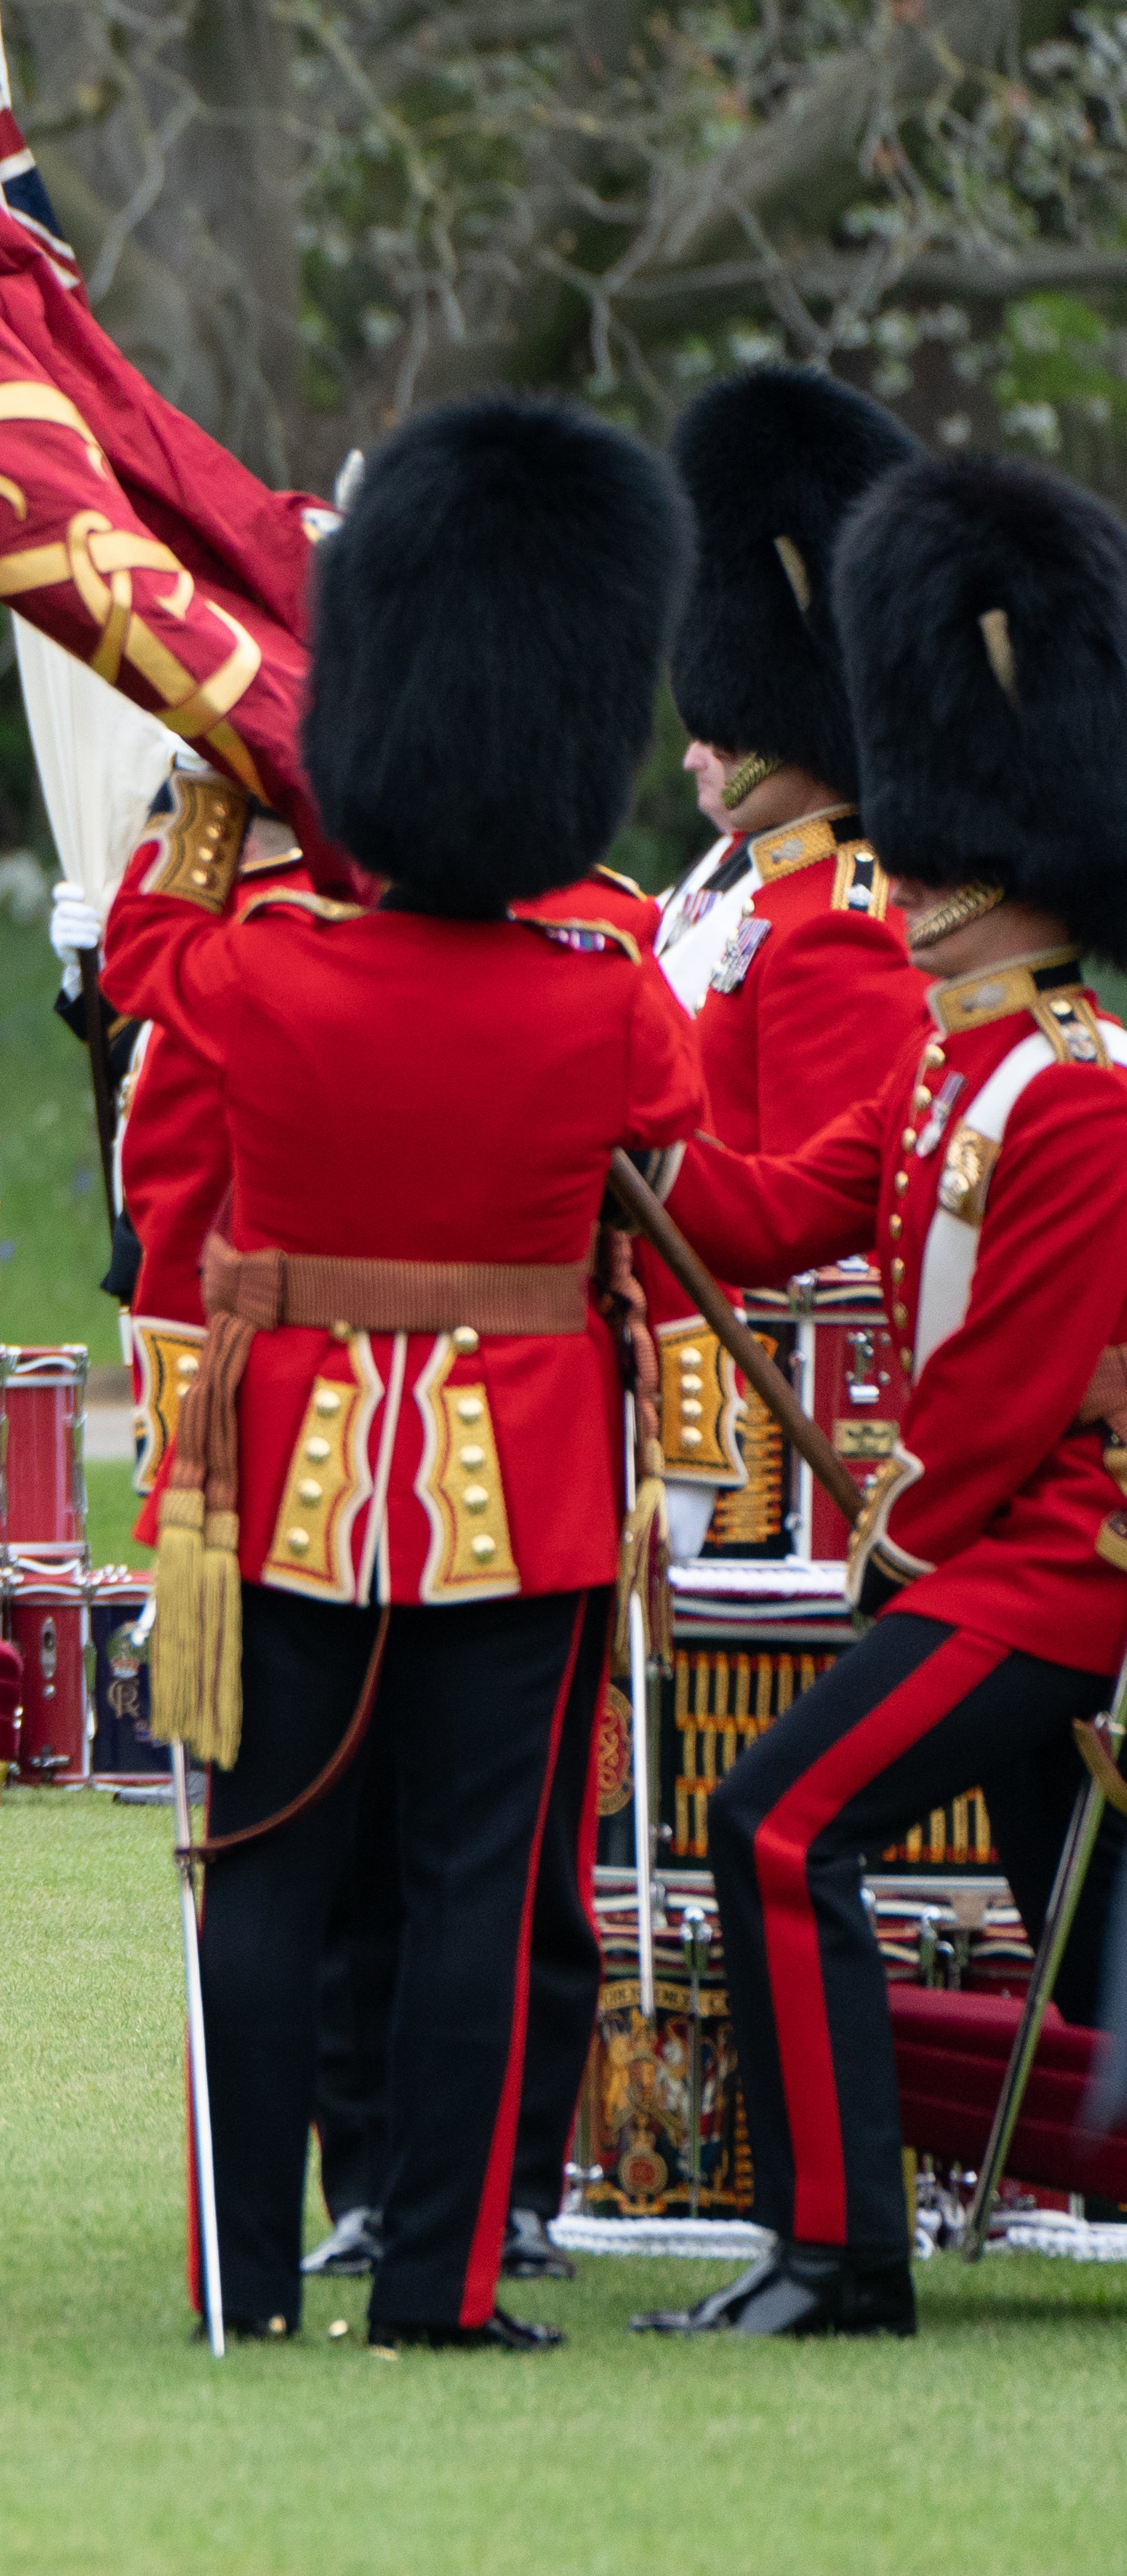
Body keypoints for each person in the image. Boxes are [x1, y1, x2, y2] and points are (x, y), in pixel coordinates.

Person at [108, 397, 702, 2351]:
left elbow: (139, 953)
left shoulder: (262, 969)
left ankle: (237, 2282)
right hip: (515, 1487)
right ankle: (439, 2287)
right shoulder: (598, 997)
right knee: (469, 1894)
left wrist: (216, 762)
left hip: (280, 1476)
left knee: (263, 1877)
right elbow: (675, 1123)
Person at [635, 453, 1127, 2339]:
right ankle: (830, 2246)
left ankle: (838, 2256)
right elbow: (759, 1214)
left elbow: (998, 1404)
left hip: (1054, 1569)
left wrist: (889, 1547)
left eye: (932, 850)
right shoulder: (948, 1073)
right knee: (1084, 1943)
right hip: (981, 1565)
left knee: (773, 1819)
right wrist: (611, 1128)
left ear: (1016, 857)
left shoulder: (1075, 1085)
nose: (898, 875)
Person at [639, 369, 931, 1546]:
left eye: (728, 729)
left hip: (744, 1437)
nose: (697, 754)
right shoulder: (730, 883)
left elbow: (829, 1251)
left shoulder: (840, 924)